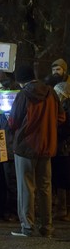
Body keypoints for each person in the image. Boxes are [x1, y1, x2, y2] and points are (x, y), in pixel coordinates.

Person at [9, 65, 65, 238]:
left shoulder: (23, 94)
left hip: (26, 147)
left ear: (20, 81)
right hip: (47, 145)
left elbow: (13, 121)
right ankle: (47, 227)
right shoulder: (51, 92)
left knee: (26, 187)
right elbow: (61, 117)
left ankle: (27, 226)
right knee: (45, 187)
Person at [0, 77, 19, 221]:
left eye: (3, 88)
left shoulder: (16, 107)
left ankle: (12, 211)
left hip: (9, 149)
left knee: (11, 182)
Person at [52, 82, 70, 222]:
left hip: (63, 149)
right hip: (62, 148)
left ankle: (61, 210)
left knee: (61, 180)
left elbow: (64, 130)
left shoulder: (65, 108)